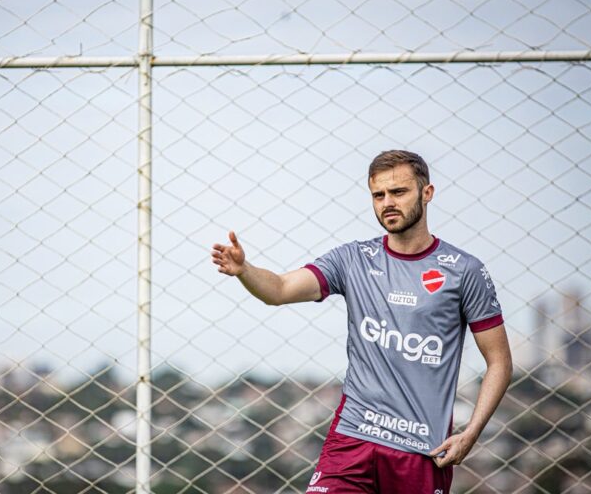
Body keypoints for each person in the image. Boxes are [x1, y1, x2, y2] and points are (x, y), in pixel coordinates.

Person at [211, 150, 512, 493]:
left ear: (426, 193)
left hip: (421, 452)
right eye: (378, 195)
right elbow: (279, 289)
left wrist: (470, 434)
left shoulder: (463, 271)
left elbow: (499, 362)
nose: (388, 203)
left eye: (399, 192)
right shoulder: (352, 259)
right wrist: (244, 271)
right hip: (352, 440)